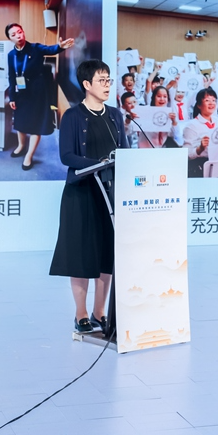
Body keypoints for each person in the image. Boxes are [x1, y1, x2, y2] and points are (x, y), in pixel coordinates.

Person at [50, 59, 128, 334]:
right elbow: (66, 156)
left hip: (109, 194)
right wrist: (99, 163)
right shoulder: (72, 116)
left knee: (107, 254)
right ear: (86, 84)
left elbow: (124, 151)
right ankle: (81, 314)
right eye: (101, 80)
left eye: (109, 80)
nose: (107, 85)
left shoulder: (115, 115)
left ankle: (99, 312)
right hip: (81, 194)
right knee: (82, 255)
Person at [5, 23, 74, 170]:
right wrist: (12, 97)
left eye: (19, 32)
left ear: (23, 32)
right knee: (20, 121)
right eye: (14, 34)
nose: (18, 35)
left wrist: (60, 46)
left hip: (38, 92)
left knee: (36, 124)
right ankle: (21, 146)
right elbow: (11, 77)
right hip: (21, 92)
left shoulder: (35, 48)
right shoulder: (11, 55)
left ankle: (29, 155)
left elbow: (50, 49)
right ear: (10, 38)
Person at [182, 87, 218, 178]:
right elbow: (186, 154)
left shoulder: (217, 121)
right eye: (207, 100)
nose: (211, 103)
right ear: (199, 105)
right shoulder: (191, 126)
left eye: (213, 100)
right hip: (201, 167)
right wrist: (200, 148)